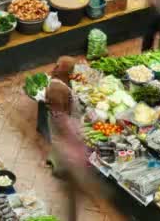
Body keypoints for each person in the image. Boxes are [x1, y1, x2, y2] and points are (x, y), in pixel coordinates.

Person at [45, 56, 121, 221]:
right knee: (74, 177)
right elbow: (60, 119)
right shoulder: (56, 89)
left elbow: (71, 108)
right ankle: (82, 193)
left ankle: (79, 187)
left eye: (60, 66)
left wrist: (91, 118)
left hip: (69, 138)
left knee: (74, 176)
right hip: (66, 141)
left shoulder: (63, 82)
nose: (55, 68)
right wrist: (76, 137)